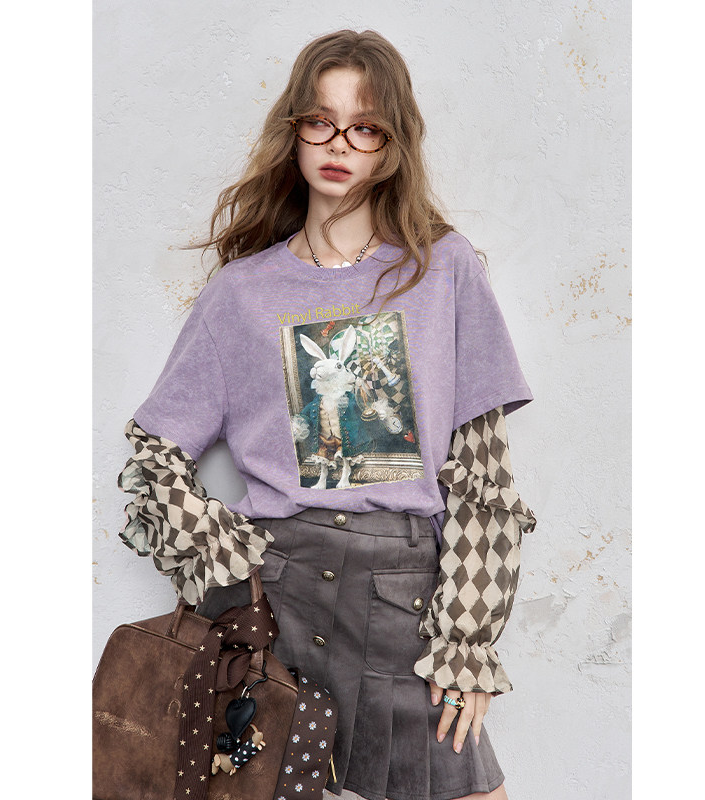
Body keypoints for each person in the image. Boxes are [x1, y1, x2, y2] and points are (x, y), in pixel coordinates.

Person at [117, 28, 537, 800]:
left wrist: (467, 642)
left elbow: (482, 476)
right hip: (274, 599)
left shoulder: (442, 268)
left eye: (365, 127)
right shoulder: (241, 293)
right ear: (295, 131)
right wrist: (222, 554)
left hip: (403, 601)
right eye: (320, 121)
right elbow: (155, 449)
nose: (339, 143)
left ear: (392, 147)